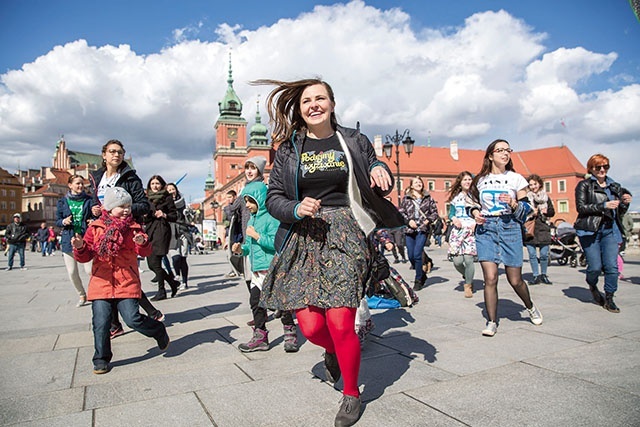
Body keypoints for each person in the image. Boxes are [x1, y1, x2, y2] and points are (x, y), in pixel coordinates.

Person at [255, 78, 404, 427]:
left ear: (332, 104)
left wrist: (382, 168)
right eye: (307, 100)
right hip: (303, 235)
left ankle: (351, 394)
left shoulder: (353, 140)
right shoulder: (289, 148)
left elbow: (374, 169)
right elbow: (274, 196)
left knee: (340, 321)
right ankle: (334, 351)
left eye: (320, 98)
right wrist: (294, 207)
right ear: (300, 108)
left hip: (347, 231)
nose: (314, 104)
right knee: (310, 326)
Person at [72, 187, 170, 374]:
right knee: (101, 323)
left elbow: (145, 252)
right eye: (121, 206)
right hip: (101, 282)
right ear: (108, 208)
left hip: (126, 280)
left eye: (128, 206)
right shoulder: (96, 228)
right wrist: (80, 247)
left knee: (133, 319)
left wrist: (142, 242)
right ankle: (101, 358)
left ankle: (158, 330)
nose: (126, 209)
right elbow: (85, 256)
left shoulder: (134, 227)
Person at [469, 139, 543, 337]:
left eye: (507, 150)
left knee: (515, 279)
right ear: (490, 155)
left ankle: (530, 306)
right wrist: (475, 213)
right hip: (486, 229)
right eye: (499, 150)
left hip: (509, 226)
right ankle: (491, 321)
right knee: (490, 277)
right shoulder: (480, 180)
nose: (505, 153)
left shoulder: (516, 179)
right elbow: (473, 204)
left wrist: (513, 203)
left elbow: (527, 209)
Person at [89, 139, 162, 336]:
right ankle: (114, 324)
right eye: (112, 151)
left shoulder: (130, 177)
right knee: (104, 276)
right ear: (104, 155)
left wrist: (121, 210)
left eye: (120, 152)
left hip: (124, 232)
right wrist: (93, 209)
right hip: (101, 231)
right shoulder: (96, 177)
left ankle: (131, 318)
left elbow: (144, 205)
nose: (116, 155)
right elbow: (93, 202)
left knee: (122, 275)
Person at [232, 181, 299, 353]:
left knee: (281, 303)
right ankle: (260, 336)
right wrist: (241, 249)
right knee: (255, 302)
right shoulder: (251, 220)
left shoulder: (271, 218)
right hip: (257, 271)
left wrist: (258, 236)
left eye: (250, 201)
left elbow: (276, 243)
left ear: (260, 199)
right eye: (245, 201)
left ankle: (290, 332)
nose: (247, 205)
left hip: (272, 269)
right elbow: (249, 246)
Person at [574, 154, 631, 313]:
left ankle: (610, 297)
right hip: (590, 230)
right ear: (591, 168)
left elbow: (619, 211)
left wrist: (624, 203)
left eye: (605, 167)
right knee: (595, 267)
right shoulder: (584, 185)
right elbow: (581, 208)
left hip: (610, 230)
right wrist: (603, 205)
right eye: (598, 167)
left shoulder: (615, 186)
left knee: (612, 267)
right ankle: (592, 285)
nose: (601, 170)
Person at [228, 156, 268, 288]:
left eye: (253, 168)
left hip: (252, 235)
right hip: (256, 234)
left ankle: (257, 305)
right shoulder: (264, 187)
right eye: (247, 168)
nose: (249, 171)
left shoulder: (248, 189)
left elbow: (231, 210)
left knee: (251, 278)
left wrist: (229, 203)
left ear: (259, 171)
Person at [55, 174, 93, 307]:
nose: (80, 186)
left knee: (90, 270)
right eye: (77, 183)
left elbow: (94, 215)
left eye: (82, 183)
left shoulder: (89, 200)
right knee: (72, 272)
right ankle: (82, 294)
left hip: (85, 238)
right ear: (70, 185)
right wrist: (63, 221)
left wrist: (92, 220)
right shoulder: (62, 201)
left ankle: (95, 293)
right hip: (68, 238)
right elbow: (57, 220)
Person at [144, 175, 180, 301]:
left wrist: (164, 214)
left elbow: (174, 216)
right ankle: (173, 283)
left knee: (156, 262)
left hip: (161, 230)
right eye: (152, 183)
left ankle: (162, 291)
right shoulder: (146, 198)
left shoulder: (167, 198)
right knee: (151, 264)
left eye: (157, 183)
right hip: (149, 231)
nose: (155, 186)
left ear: (161, 185)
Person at [399, 177, 438, 291]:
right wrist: (408, 221)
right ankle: (422, 274)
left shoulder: (428, 198)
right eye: (416, 182)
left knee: (417, 254)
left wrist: (428, 220)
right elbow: (401, 212)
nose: (418, 184)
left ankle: (418, 279)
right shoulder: (406, 199)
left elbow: (434, 212)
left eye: (420, 182)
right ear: (411, 186)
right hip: (409, 230)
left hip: (422, 229)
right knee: (410, 255)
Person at [446, 171, 477, 298]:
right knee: (457, 261)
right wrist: (454, 219)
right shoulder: (455, 198)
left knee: (469, 259)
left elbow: (482, 212)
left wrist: (476, 223)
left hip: (471, 229)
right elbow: (451, 213)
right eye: (465, 180)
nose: (467, 182)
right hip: (458, 230)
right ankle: (466, 274)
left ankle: (468, 285)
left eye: (469, 179)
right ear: (460, 182)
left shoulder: (476, 196)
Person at [524, 174, 555, 285]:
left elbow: (552, 212)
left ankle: (544, 275)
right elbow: (523, 212)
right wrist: (532, 213)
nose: (533, 187)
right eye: (530, 185)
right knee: (532, 255)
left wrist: (546, 211)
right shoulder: (526, 198)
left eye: (535, 184)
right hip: (530, 228)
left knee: (544, 255)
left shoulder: (546, 197)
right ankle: (535, 275)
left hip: (543, 228)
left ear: (539, 184)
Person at [166, 182, 192, 290]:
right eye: (169, 190)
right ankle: (177, 275)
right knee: (175, 257)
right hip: (171, 232)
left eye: (173, 189)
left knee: (183, 258)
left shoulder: (182, 202)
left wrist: (188, 213)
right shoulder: (165, 203)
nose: (172, 191)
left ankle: (184, 281)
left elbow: (188, 219)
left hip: (182, 231)